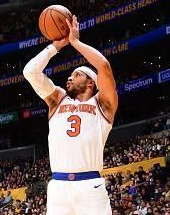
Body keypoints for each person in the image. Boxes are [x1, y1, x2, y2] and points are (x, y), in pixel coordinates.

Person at [23, 15, 118, 215]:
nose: (69, 77)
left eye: (76, 75)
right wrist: (55, 47)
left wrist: (75, 42)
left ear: (90, 82)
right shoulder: (58, 99)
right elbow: (30, 72)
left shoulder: (103, 104)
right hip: (58, 187)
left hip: (90, 186)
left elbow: (103, 66)